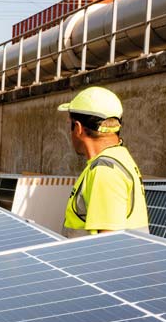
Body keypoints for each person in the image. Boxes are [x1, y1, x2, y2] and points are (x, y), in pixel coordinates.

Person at [59, 85, 149, 236]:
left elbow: (108, 247)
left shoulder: (106, 170)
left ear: (78, 128)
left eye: (71, 125)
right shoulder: (120, 156)